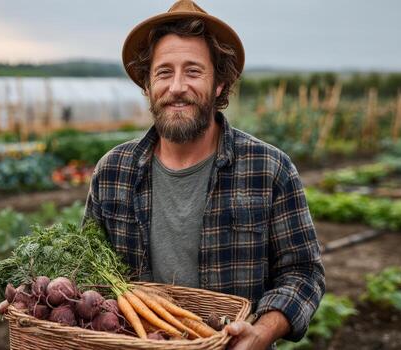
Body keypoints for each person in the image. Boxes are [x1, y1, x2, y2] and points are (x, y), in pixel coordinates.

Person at [83, 1, 325, 349]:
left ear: (219, 85)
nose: (177, 86)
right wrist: (34, 300)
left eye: (193, 71)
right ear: (148, 86)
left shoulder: (268, 168)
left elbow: (304, 273)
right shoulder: (113, 172)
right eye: (164, 72)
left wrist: (263, 331)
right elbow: (86, 268)